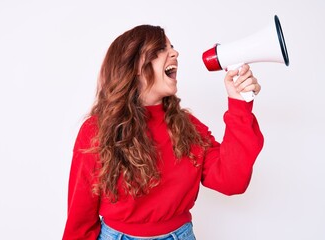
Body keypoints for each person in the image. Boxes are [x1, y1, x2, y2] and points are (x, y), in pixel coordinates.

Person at [62, 24, 264, 240]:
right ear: (135, 64)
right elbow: (80, 213)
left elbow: (232, 181)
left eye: (172, 47)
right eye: (161, 48)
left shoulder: (188, 127)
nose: (175, 53)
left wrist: (239, 104)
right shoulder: (97, 130)